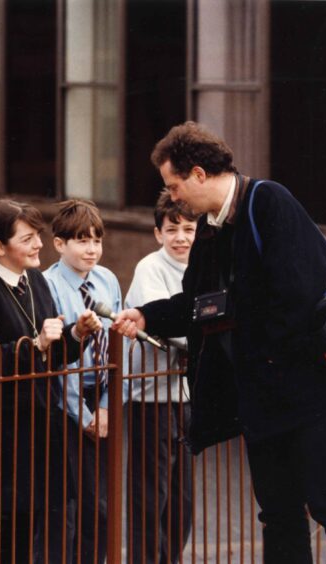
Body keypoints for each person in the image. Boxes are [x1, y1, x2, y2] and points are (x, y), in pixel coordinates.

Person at [111, 121, 326, 563]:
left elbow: (295, 296)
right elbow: (199, 301)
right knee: (277, 513)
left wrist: (233, 318)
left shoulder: (268, 201)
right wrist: (147, 314)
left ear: (199, 174)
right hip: (260, 398)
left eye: (174, 185)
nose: (173, 196)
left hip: (304, 392)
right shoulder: (210, 229)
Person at [0, 199, 101, 563]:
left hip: (41, 421)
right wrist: (37, 344)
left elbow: (53, 354)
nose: (38, 245)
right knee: (3, 532)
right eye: (27, 239)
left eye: (37, 236)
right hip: (2, 428)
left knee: (35, 529)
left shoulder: (36, 279)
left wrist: (75, 334)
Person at [43, 198, 122, 563]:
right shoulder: (48, 285)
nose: (92, 249)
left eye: (97, 240)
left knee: (101, 505)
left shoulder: (107, 280)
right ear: (59, 244)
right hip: (67, 403)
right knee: (70, 505)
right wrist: (83, 413)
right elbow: (61, 358)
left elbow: (116, 348)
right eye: (81, 240)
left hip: (102, 398)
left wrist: (106, 408)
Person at [124, 191, 197, 564]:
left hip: (184, 395)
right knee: (150, 494)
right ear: (158, 234)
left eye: (189, 228)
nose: (181, 237)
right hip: (149, 397)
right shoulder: (150, 268)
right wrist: (201, 339)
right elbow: (165, 324)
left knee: (182, 498)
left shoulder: (198, 266)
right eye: (173, 229)